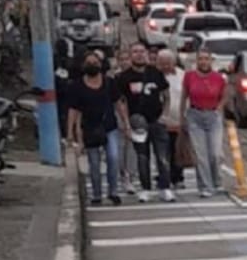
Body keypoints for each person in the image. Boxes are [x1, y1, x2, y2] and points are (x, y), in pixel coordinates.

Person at [118, 42, 174, 203]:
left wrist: (165, 114)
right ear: (130, 55)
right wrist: (126, 124)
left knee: (162, 156)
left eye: (142, 51)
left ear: (147, 54)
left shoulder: (155, 73)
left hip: (157, 120)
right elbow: (122, 102)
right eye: (135, 51)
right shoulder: (124, 77)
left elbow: (166, 95)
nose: (139, 54)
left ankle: (165, 187)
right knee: (142, 156)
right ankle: (145, 188)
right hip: (137, 122)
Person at [66, 51, 124, 206]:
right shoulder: (77, 86)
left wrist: (126, 124)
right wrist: (70, 132)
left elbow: (119, 104)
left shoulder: (109, 83)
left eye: (95, 62)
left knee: (113, 157)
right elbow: (73, 110)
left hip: (109, 126)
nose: (92, 65)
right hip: (90, 129)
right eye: (89, 63)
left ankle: (113, 191)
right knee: (94, 163)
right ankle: (97, 194)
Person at [182, 48, 229, 198]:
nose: (203, 62)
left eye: (206, 59)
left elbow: (225, 96)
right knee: (200, 154)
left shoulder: (219, 78)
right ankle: (205, 186)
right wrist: (182, 117)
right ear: (196, 61)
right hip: (195, 115)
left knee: (215, 153)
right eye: (200, 59)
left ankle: (217, 182)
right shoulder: (189, 76)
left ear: (211, 61)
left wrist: (219, 109)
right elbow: (184, 96)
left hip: (213, 116)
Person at [157, 50, 186, 189]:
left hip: (179, 117)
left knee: (177, 149)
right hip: (161, 118)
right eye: (162, 64)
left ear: (173, 62)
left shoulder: (182, 75)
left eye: (167, 63)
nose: (165, 66)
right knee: (163, 151)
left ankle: (178, 177)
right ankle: (164, 177)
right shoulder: (155, 76)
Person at [112, 48, 139, 194]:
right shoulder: (115, 79)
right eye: (121, 59)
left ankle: (130, 177)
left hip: (136, 116)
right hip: (120, 117)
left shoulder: (139, 76)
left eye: (126, 59)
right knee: (120, 149)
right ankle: (123, 175)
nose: (124, 62)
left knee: (133, 149)